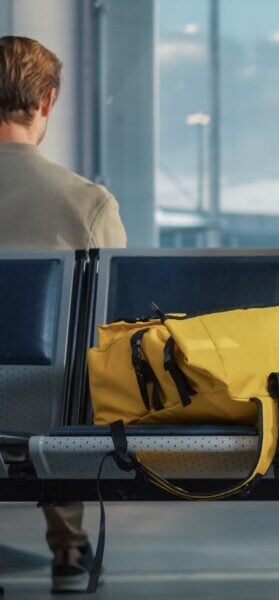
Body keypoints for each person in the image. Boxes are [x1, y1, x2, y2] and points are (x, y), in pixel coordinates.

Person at [0, 35, 125, 592]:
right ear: (47, 102)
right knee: (73, 372)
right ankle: (70, 551)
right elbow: (113, 319)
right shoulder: (87, 203)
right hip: (53, 399)